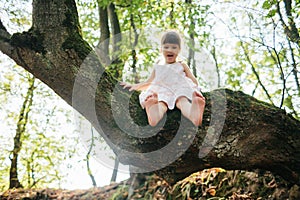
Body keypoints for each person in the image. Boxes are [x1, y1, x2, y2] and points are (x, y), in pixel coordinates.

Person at [121, 30, 205, 127]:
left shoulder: (181, 65)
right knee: (161, 102)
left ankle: (194, 114)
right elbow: (148, 83)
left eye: (174, 47)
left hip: (179, 89)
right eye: (166, 47)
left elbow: (194, 82)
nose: (170, 50)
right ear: (161, 49)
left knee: (182, 100)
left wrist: (193, 90)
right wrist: (134, 86)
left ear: (179, 50)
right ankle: (154, 113)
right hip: (162, 91)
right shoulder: (158, 66)